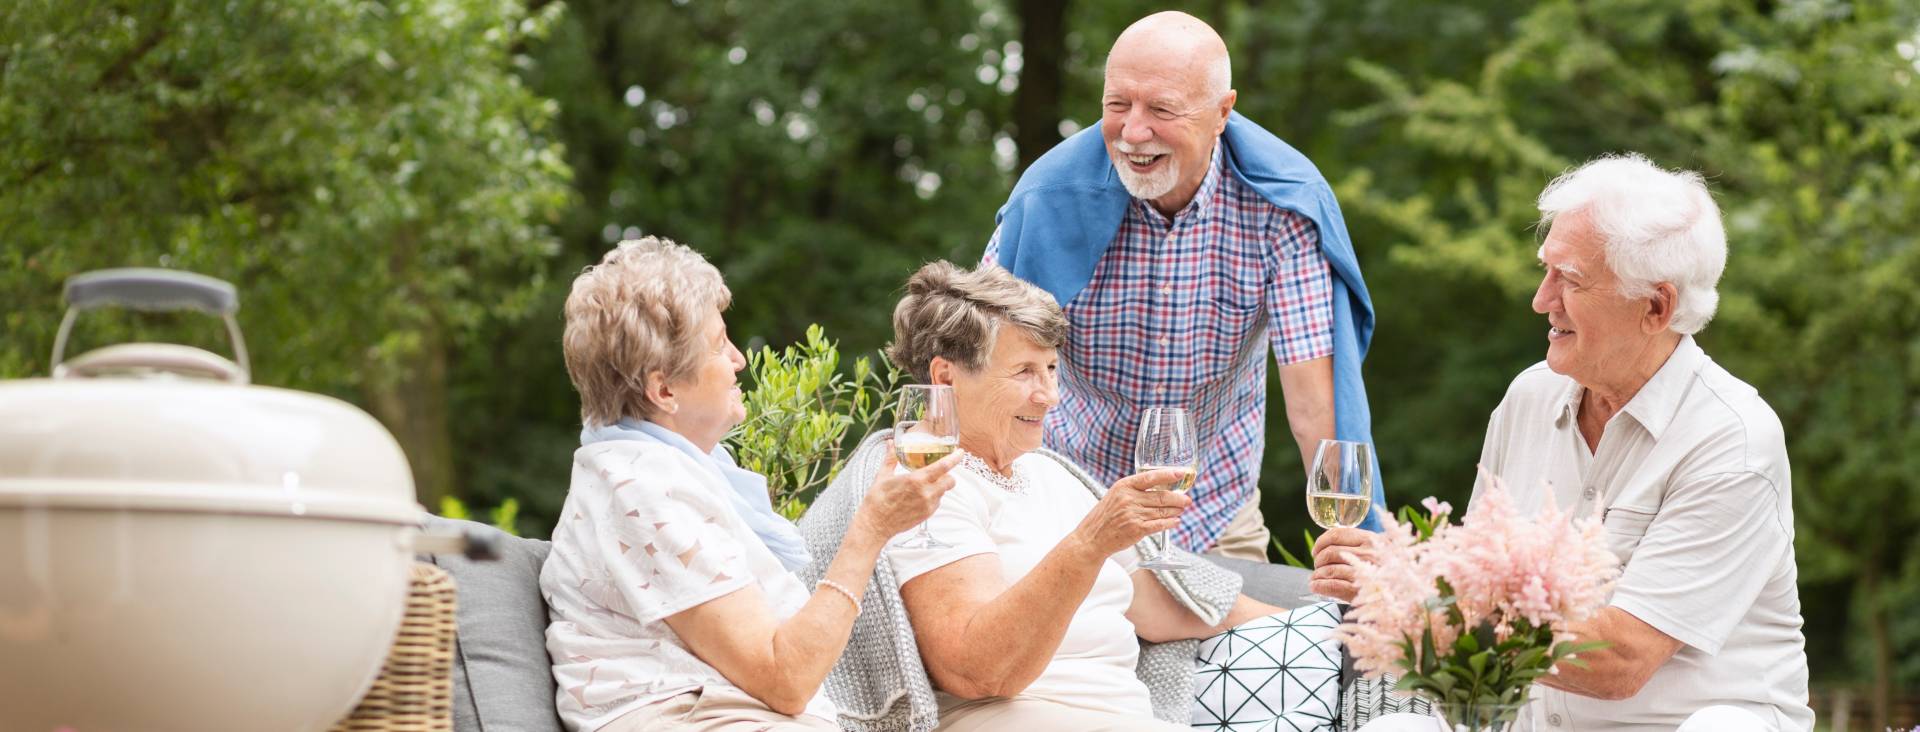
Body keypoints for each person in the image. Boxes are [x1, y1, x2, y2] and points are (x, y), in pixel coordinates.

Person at [1314, 155, 1814, 731]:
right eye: (1546, 270)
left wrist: (1414, 585)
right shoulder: (1530, 396)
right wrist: (1401, 589)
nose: (1541, 299)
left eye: (1570, 280)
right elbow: (1475, 589)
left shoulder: (1733, 440)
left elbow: (1621, 659)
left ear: (1657, 307)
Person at [983, 10, 1386, 560]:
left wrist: (1355, 553)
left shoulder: (1285, 207)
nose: (1133, 132)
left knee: (1244, 643)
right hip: (1064, 504)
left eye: (1162, 109)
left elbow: (1317, 410)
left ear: (1223, 113)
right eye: (1117, 104)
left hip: (1214, 512)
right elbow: (978, 374)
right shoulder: (1046, 200)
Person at [881, 261, 1331, 731]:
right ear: (946, 378)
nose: (1050, 396)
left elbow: (1161, 609)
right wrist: (1090, 542)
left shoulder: (1051, 475)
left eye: (1052, 369)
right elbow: (979, 671)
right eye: (1024, 372)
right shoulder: (924, 486)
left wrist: (1334, 628)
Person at [539, 237, 962, 732]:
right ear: (664, 390)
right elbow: (785, 680)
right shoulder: (642, 489)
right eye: (719, 344)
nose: (739, 359)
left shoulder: (672, 470)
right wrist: (871, 530)